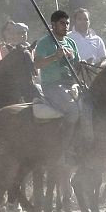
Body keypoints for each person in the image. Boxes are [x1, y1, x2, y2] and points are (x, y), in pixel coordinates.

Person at [34, 10, 81, 157]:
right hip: (52, 86)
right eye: (62, 23)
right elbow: (37, 64)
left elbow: (78, 65)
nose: (66, 26)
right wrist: (55, 57)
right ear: (53, 25)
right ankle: (65, 148)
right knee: (73, 110)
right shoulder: (44, 42)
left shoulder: (71, 42)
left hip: (71, 85)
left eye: (67, 23)